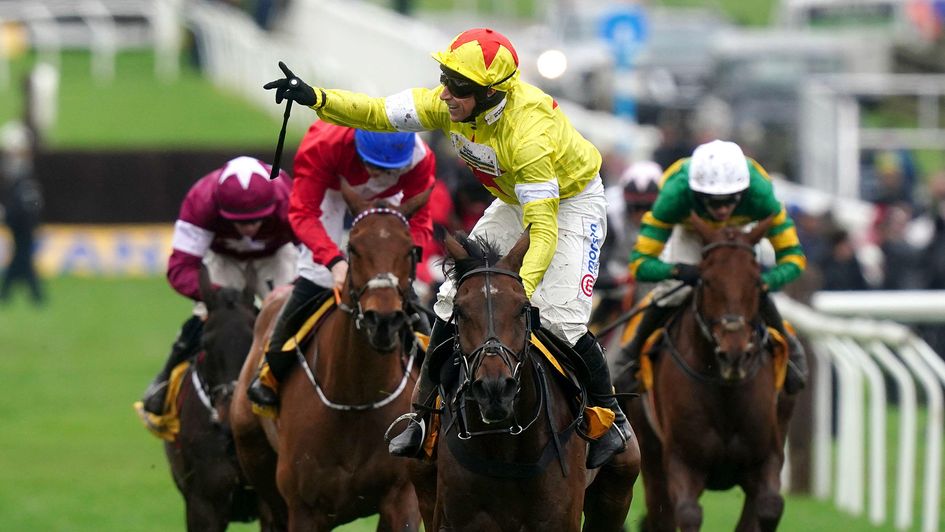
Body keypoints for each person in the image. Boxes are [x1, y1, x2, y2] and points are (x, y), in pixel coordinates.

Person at [262, 27, 632, 468]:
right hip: (516, 199)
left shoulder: (529, 135)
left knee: (558, 319)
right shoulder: (451, 105)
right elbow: (378, 113)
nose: (446, 93)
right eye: (445, 77)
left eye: (458, 86)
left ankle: (609, 419)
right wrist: (314, 97)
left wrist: (521, 292)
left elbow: (544, 230)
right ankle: (421, 418)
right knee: (450, 298)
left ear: (492, 93)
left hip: (569, 205)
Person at [246, 124, 436, 409]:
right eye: (372, 166)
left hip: (392, 200)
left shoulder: (420, 158)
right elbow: (303, 213)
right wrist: (334, 262)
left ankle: (436, 375)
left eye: (388, 169)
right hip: (334, 189)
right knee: (317, 276)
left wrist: (400, 262)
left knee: (398, 285)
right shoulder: (323, 147)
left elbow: (419, 222)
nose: (378, 176)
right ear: (357, 149)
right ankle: (270, 371)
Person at [615, 140, 809, 395]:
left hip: (741, 235)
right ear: (696, 193)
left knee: (745, 290)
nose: (722, 209)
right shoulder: (675, 195)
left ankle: (790, 347)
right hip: (692, 233)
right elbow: (640, 263)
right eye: (713, 201)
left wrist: (765, 282)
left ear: (743, 192)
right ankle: (630, 354)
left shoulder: (761, 194)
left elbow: (794, 258)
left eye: (730, 201)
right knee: (672, 291)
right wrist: (677, 271)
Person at [137, 156, 298, 421]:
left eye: (256, 220)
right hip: (224, 257)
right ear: (220, 208)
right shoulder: (200, 200)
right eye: (241, 222)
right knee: (212, 317)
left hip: (276, 255)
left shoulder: (287, 196)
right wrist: (213, 295)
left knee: (294, 313)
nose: (248, 229)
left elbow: (314, 254)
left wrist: (293, 287)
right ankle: (165, 381)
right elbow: (179, 268)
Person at [0, 120, 44, 305]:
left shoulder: (23, 176)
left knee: (22, 257)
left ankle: (12, 293)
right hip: (23, 221)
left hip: (24, 221)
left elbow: (27, 200)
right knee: (23, 256)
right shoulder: (20, 174)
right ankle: (35, 295)